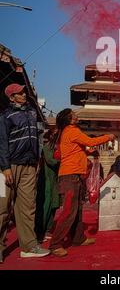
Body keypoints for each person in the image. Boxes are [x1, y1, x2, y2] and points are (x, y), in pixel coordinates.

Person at [48, 108, 115, 257]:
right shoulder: (72, 131)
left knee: (77, 210)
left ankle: (78, 238)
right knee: (68, 212)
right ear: (69, 119)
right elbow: (91, 141)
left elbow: (78, 150)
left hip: (74, 175)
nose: (76, 116)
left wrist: (88, 152)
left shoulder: (68, 132)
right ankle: (55, 244)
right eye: (73, 114)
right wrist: (107, 137)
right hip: (70, 176)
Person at [0, 83, 50, 263]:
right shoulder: (5, 116)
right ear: (11, 97)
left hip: (29, 166)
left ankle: (28, 247)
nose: (23, 94)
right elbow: (2, 143)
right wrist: (5, 167)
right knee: (2, 209)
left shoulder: (32, 113)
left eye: (23, 91)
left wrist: (36, 160)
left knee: (28, 208)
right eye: (18, 93)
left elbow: (38, 139)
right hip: (6, 168)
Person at [35, 128, 60, 243]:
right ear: (50, 136)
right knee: (46, 206)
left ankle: (47, 230)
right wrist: (63, 160)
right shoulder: (47, 147)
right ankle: (40, 232)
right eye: (54, 134)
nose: (56, 136)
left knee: (54, 205)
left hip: (55, 179)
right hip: (46, 179)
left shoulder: (57, 146)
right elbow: (51, 161)